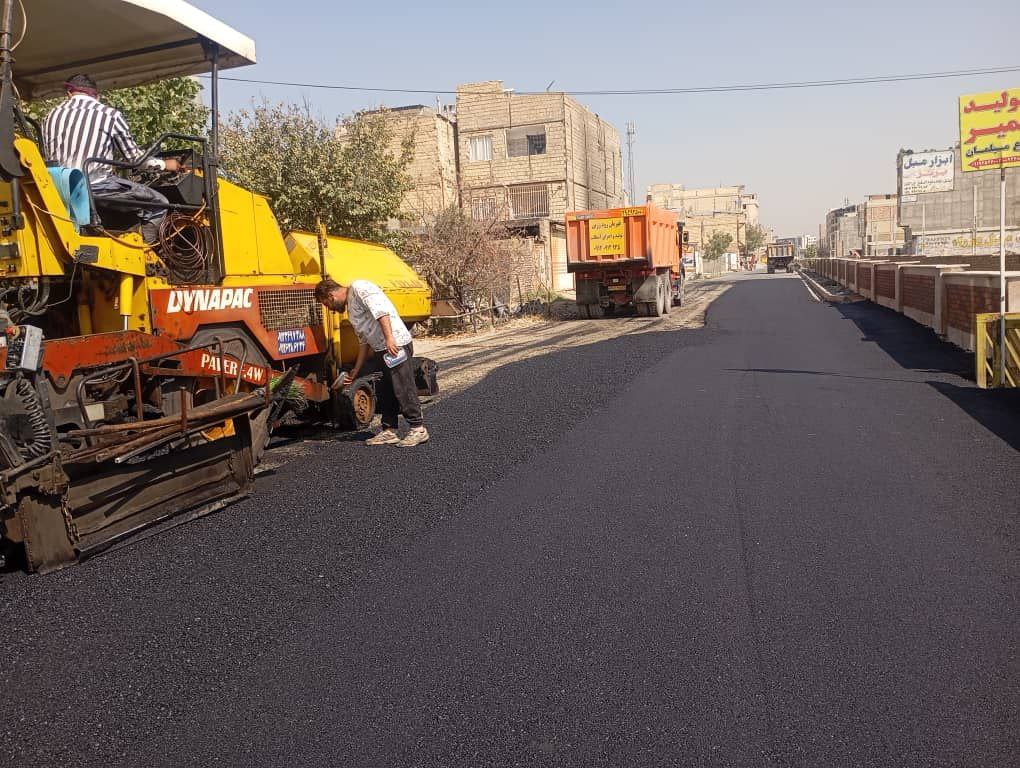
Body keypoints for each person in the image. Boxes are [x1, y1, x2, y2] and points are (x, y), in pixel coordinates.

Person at [42, 74, 182, 243]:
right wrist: (164, 164)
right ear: (96, 96)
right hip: (97, 186)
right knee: (159, 204)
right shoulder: (109, 115)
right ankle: (145, 252)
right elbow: (135, 159)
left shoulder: (50, 116)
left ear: (69, 93)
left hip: (59, 187)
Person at [315, 277, 429, 447]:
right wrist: (356, 368)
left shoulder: (360, 288)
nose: (329, 309)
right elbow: (363, 341)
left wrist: (390, 339)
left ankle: (418, 429)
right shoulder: (351, 309)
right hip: (380, 349)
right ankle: (389, 430)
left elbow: (381, 311)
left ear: (331, 296)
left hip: (395, 345)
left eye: (326, 304)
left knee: (403, 386)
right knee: (385, 390)